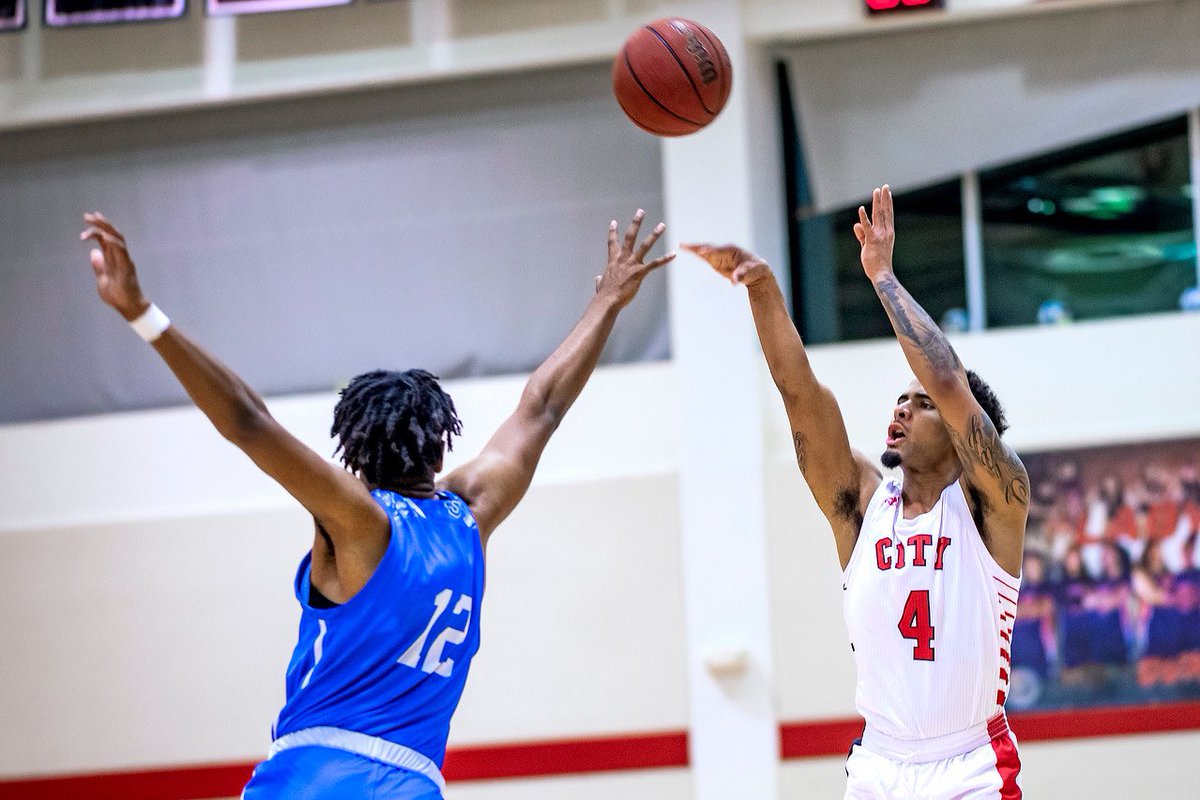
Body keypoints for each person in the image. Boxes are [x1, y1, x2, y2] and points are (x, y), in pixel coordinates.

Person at [80, 209, 674, 799]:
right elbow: (541, 407)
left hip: (315, 773)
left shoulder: (360, 518)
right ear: (439, 449)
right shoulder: (472, 511)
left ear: (354, 458)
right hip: (410, 784)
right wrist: (607, 305)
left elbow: (248, 421)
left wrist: (143, 315)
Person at [688, 185, 1028, 799]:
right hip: (878, 764)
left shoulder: (992, 505)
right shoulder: (864, 504)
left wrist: (882, 275)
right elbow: (801, 398)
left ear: (958, 433)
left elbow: (947, 377)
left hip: (970, 763)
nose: (901, 407)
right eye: (900, 398)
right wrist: (763, 291)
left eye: (920, 405)